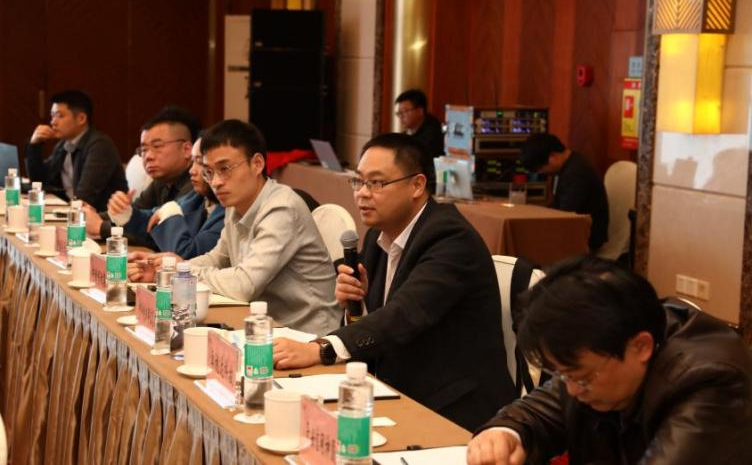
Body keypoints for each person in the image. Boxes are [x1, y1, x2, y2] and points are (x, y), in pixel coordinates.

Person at [273, 133, 515, 431]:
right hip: (395, 388)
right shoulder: (379, 234)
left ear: (417, 185)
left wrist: (322, 348)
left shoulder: (451, 239)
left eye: (376, 183)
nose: (362, 193)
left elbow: (405, 314)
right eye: (358, 181)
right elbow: (378, 325)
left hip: (453, 408)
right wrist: (356, 302)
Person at [467, 256, 752, 465]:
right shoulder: (600, 351)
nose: (572, 390)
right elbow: (539, 411)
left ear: (641, 347)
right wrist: (505, 433)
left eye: (582, 378)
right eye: (563, 375)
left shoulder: (710, 381)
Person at [128, 119, 340, 336]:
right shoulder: (235, 204)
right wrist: (169, 270)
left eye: (224, 169)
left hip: (307, 335)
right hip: (263, 325)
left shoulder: (282, 208)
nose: (216, 182)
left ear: (257, 164)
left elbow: (244, 284)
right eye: (209, 172)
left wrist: (181, 273)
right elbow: (218, 258)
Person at [85, 106, 198, 244]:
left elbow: (160, 234)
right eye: (144, 149)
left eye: (157, 146)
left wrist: (102, 228)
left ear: (186, 150)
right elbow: (133, 215)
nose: (148, 156)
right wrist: (89, 217)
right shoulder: (161, 181)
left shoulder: (196, 183)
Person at [118, 138, 225, 259]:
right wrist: (126, 213)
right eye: (193, 162)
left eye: (200, 163)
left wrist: (169, 213)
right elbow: (153, 221)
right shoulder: (198, 197)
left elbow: (188, 256)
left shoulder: (227, 209)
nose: (192, 171)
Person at [25, 90, 127, 211]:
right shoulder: (63, 145)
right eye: (52, 116)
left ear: (81, 118)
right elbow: (39, 181)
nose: (53, 122)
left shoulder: (100, 146)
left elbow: (85, 197)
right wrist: (34, 145)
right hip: (74, 212)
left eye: (60, 116)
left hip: (100, 218)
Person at [519, 133, 609, 252]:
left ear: (553, 156)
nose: (541, 173)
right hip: (575, 232)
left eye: (540, 168)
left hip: (586, 239)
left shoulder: (576, 173)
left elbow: (565, 215)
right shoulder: (572, 163)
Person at [394, 89, 444, 158]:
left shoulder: (432, 135)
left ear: (420, 111)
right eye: (399, 113)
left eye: (405, 111)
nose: (401, 116)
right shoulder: (408, 132)